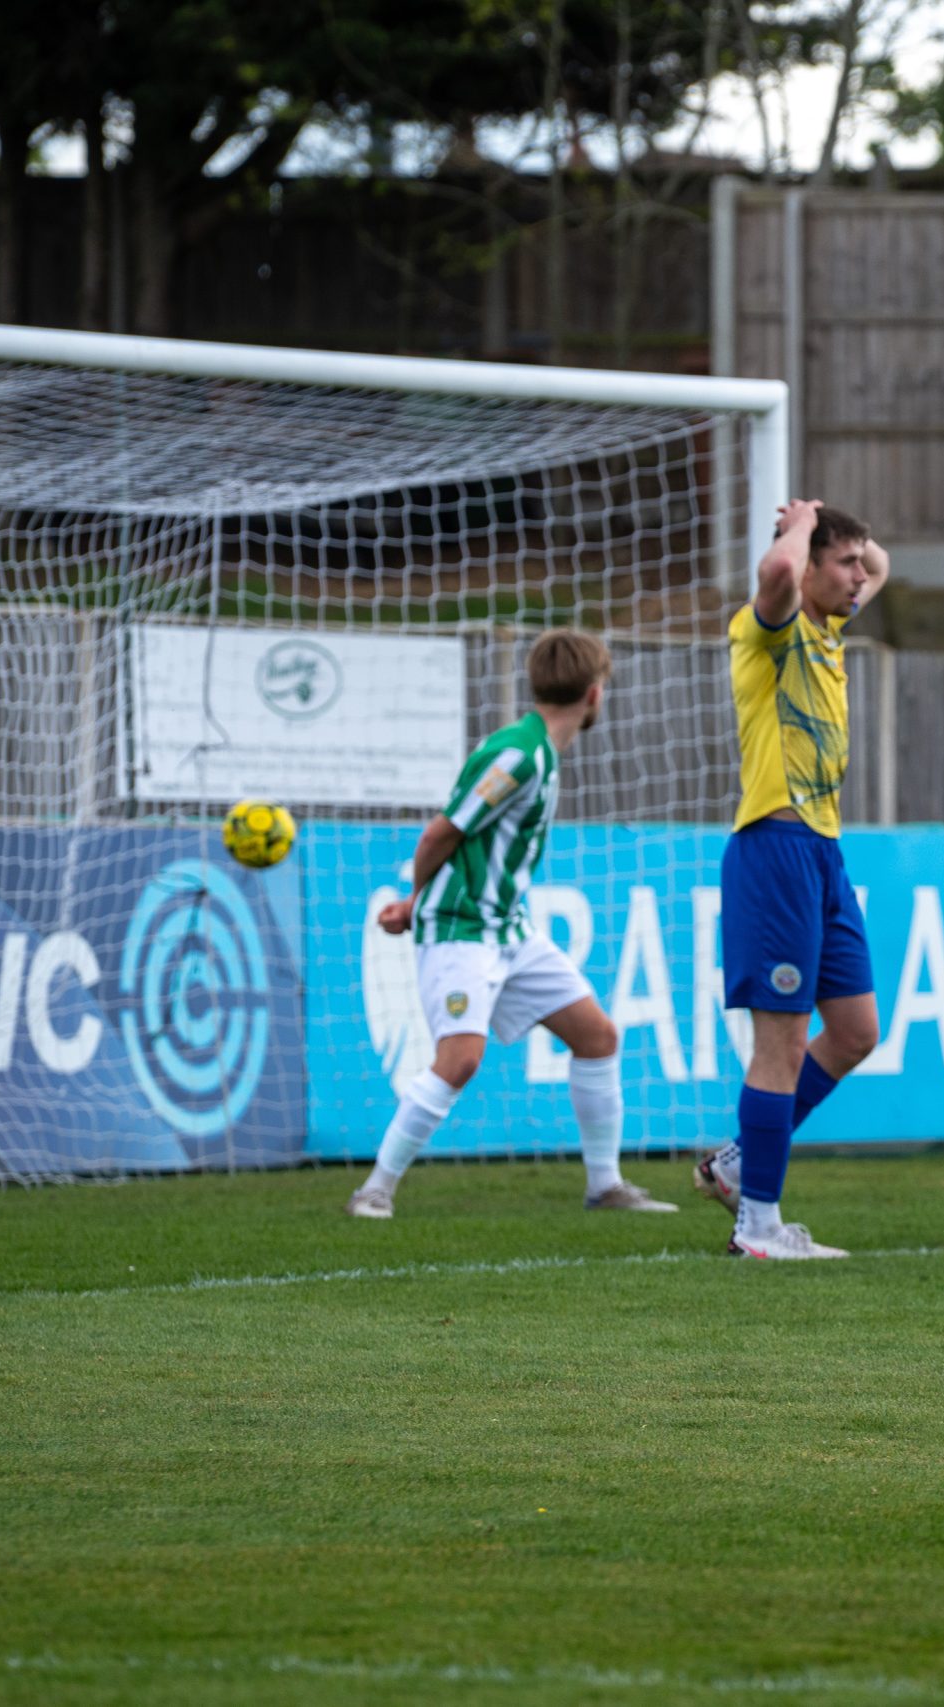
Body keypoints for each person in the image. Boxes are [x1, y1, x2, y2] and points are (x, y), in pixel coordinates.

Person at [347, 630, 675, 1219]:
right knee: (461, 1060)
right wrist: (417, 901)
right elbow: (440, 832)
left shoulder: (541, 752)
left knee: (597, 1036)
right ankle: (374, 1189)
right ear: (595, 693)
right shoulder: (518, 756)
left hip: (509, 929)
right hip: (462, 928)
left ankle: (605, 1186)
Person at [694, 500, 891, 1260]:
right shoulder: (767, 630)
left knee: (854, 1031)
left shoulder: (830, 627)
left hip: (823, 851)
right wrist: (801, 522)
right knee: (778, 1044)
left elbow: (883, 565)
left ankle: (741, 1161)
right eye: (841, 563)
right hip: (772, 846)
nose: (857, 576)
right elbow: (777, 570)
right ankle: (759, 1226)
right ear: (809, 566)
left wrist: (840, 538)